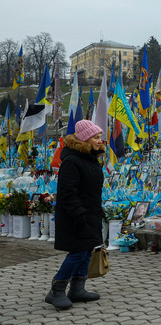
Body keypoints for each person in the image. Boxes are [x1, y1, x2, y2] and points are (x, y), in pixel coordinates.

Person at [46, 120, 105, 310]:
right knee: (78, 251)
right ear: (85, 140)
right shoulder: (72, 161)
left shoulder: (90, 159)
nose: (100, 140)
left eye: (99, 137)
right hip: (76, 216)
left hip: (90, 213)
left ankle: (78, 288)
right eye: (96, 137)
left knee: (87, 249)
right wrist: (79, 215)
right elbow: (67, 193)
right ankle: (57, 289)